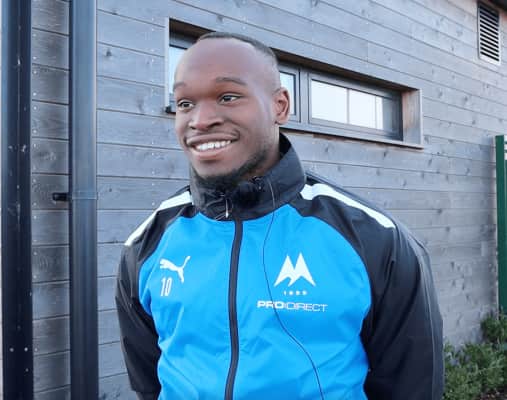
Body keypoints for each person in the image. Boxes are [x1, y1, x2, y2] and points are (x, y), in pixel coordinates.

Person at [115, 31, 444, 400]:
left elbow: (413, 387)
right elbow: (150, 382)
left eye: (228, 97)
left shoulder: (375, 239)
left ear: (280, 106)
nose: (201, 120)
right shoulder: (147, 244)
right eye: (185, 103)